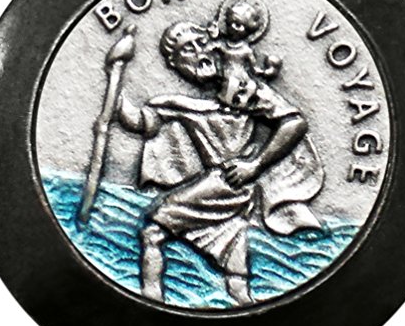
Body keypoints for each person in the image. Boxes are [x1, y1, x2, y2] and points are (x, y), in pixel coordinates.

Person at [115, 21, 322, 306]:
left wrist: (256, 165)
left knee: (152, 233)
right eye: (187, 50)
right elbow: (139, 122)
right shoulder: (177, 104)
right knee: (236, 276)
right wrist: (114, 86)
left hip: (230, 181)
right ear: (176, 65)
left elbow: (294, 122)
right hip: (226, 185)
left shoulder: (243, 91)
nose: (199, 53)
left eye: (201, 43)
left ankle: (151, 304)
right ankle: (244, 309)